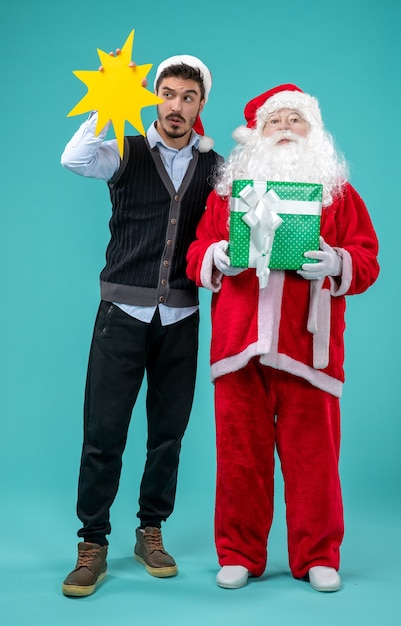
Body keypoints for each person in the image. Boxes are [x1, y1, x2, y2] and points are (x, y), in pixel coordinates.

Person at [186, 84, 379, 592]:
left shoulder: (338, 193)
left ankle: (318, 555)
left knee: (314, 458)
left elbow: (367, 256)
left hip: (308, 349)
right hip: (239, 343)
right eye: (277, 121)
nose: (287, 129)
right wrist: (214, 257)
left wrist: (338, 261)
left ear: (315, 134)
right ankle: (239, 553)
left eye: (297, 120)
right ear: (258, 135)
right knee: (239, 457)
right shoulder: (228, 195)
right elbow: (197, 248)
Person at [60, 53, 222, 597]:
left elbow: (236, 219)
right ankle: (93, 542)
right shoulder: (122, 150)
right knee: (103, 432)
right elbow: (73, 159)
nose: (176, 106)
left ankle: (150, 531)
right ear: (155, 97)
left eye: (188, 98)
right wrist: (105, 110)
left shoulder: (214, 166)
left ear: (201, 106)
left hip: (181, 314)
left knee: (167, 434)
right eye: (168, 94)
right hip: (122, 313)